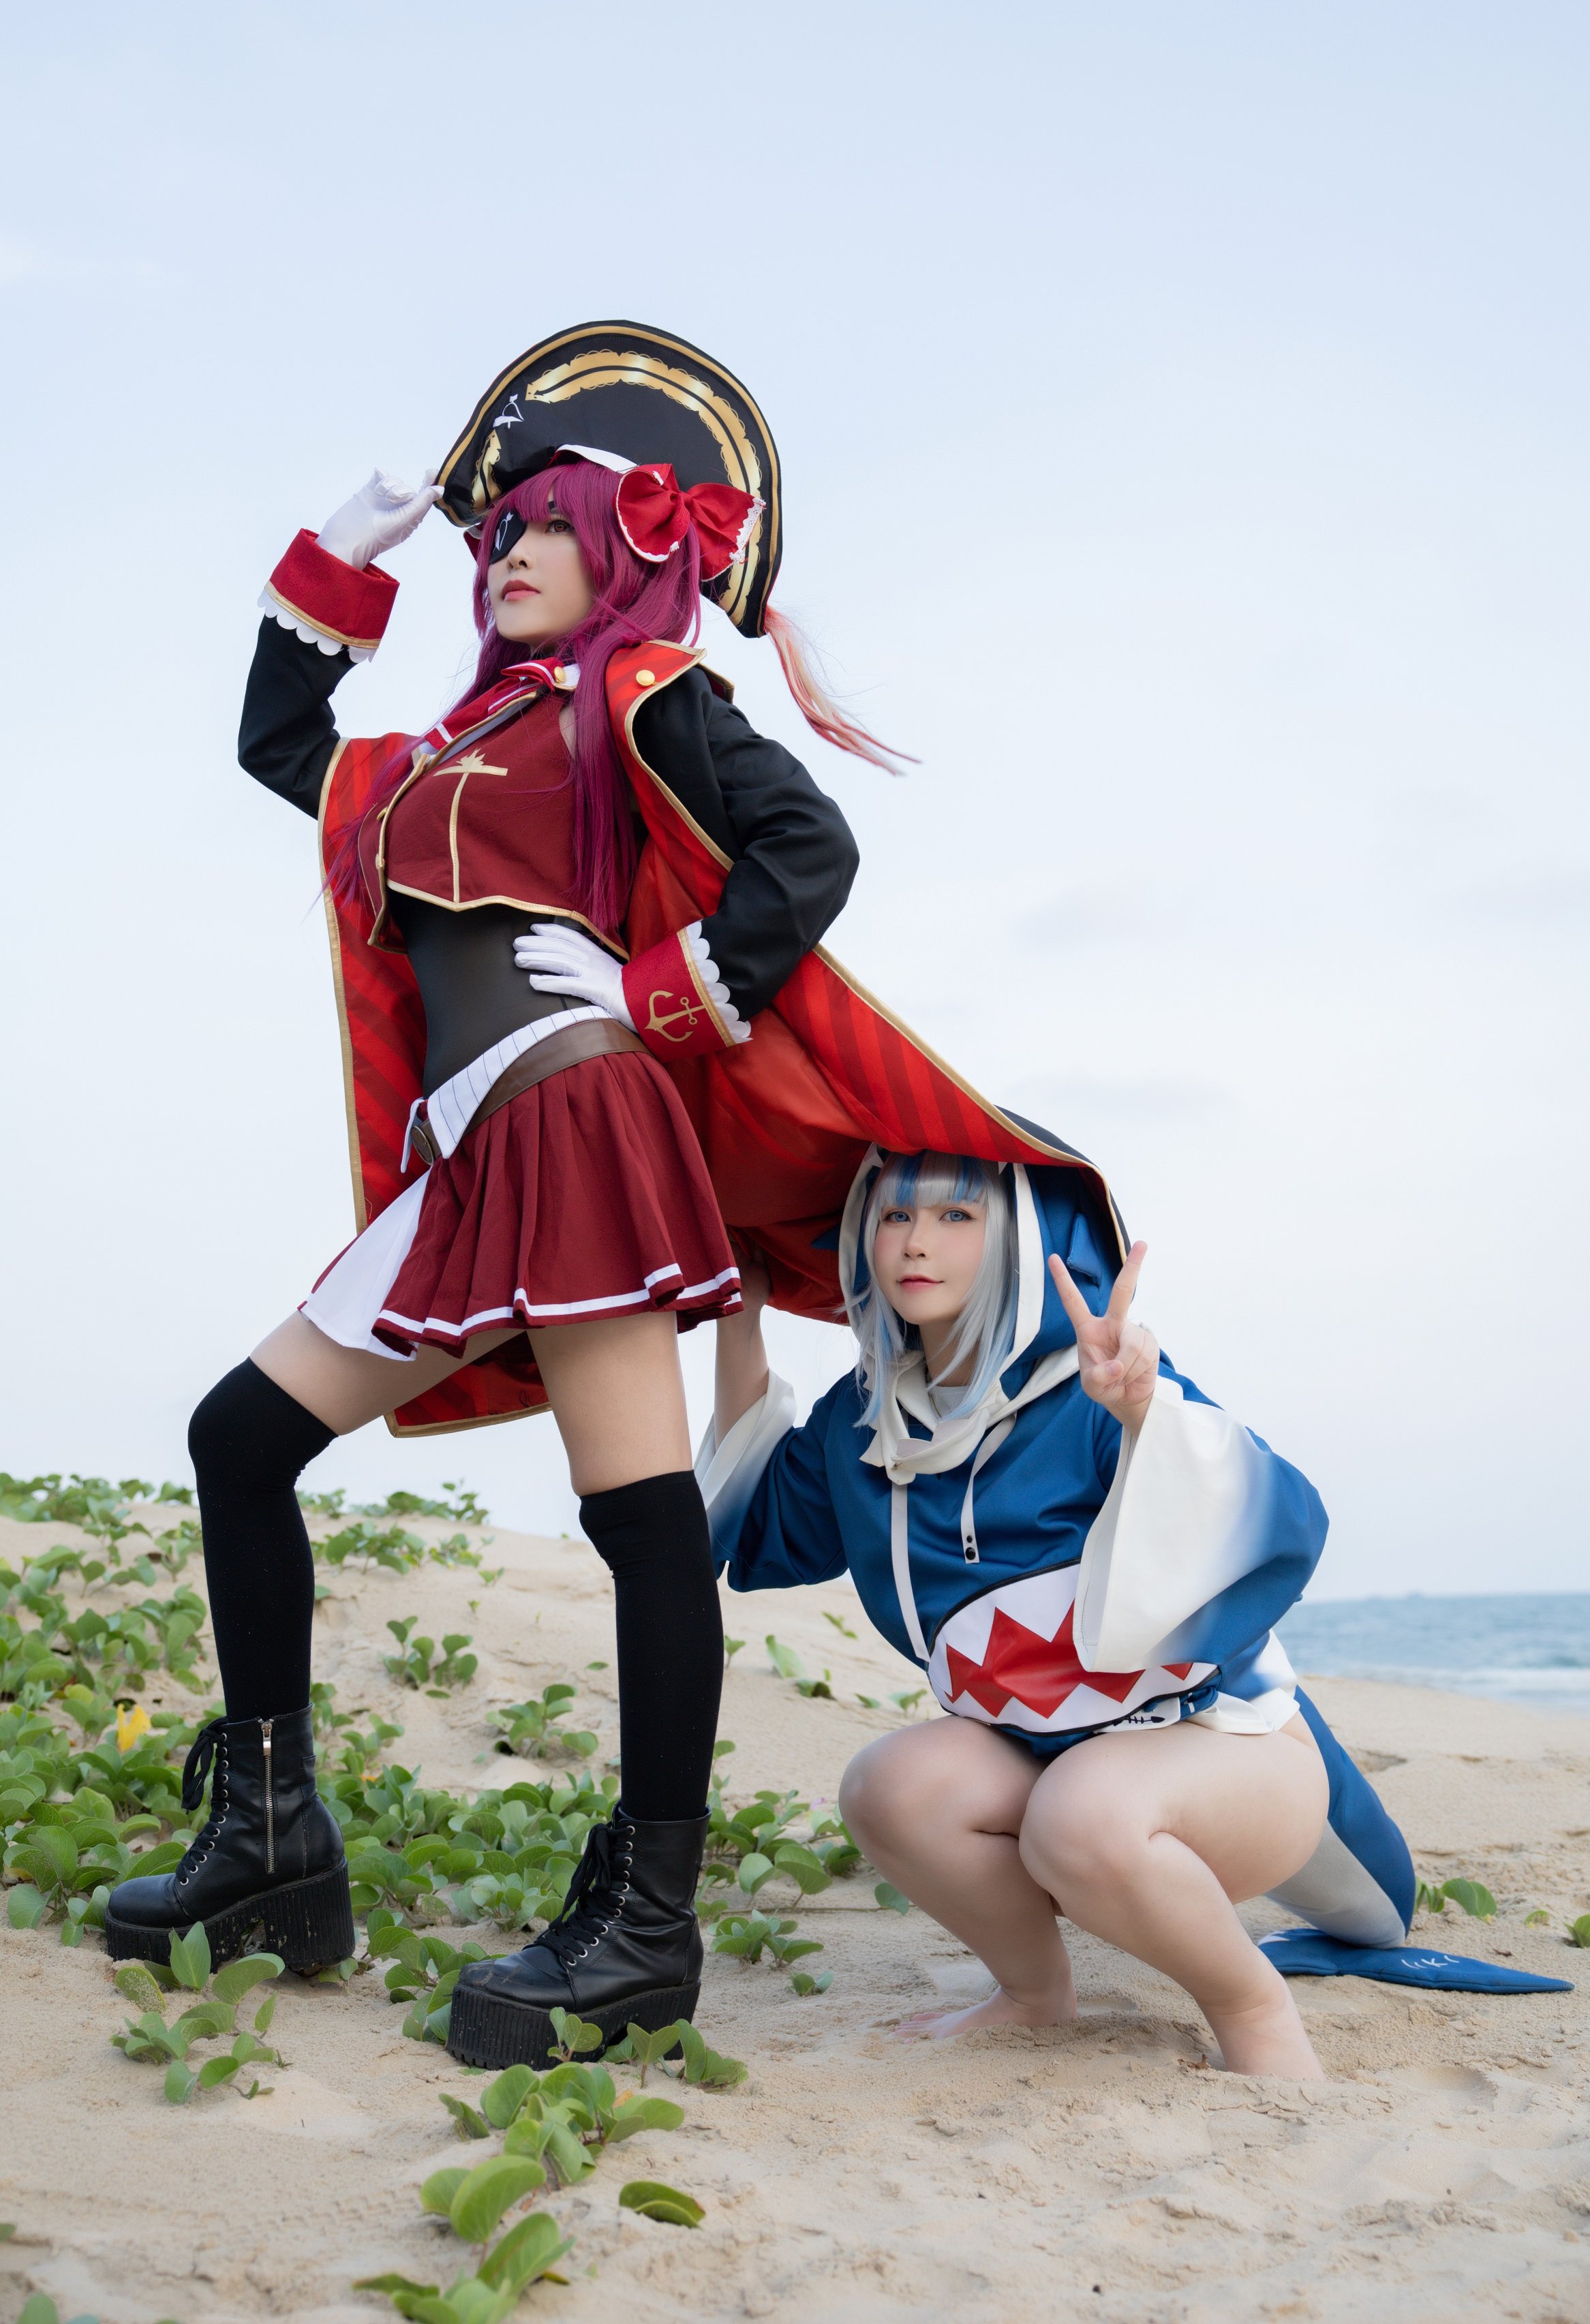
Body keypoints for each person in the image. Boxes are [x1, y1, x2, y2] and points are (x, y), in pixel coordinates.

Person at [104, 322, 893, 2065]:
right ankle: (272, 1839)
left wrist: (658, 993)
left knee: (638, 1520)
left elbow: (809, 847)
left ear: (624, 549)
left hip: (579, 1120)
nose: (510, 549)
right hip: (470, 1158)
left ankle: (648, 1924)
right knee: (240, 1438)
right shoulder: (444, 753)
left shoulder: (644, 700)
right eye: (500, 530)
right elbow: (277, 741)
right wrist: (345, 548)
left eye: (548, 525)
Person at [702, 1147, 1418, 2078]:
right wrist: (739, 1319)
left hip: (1223, 1753)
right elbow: (758, 1529)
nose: (916, 1243)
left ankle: (1253, 2012)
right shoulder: (863, 1418)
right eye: (894, 1216)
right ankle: (1034, 1996)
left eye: (956, 1217)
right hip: (1039, 1758)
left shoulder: (1095, 1382)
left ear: (1022, 1239)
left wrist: (1143, 1412)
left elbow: (1266, 1518)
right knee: (892, 1788)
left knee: (1081, 1817)